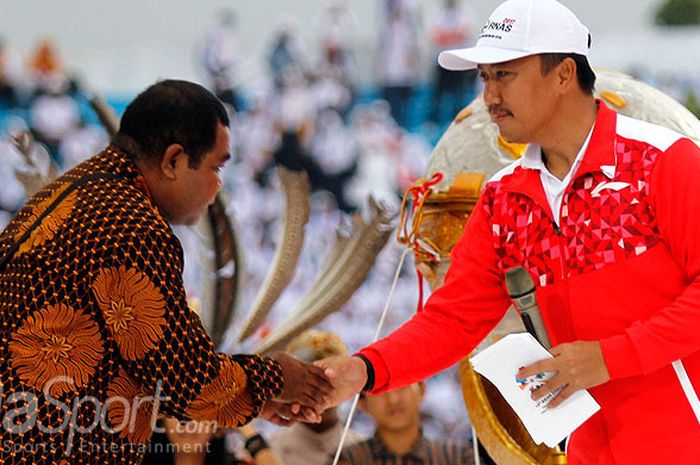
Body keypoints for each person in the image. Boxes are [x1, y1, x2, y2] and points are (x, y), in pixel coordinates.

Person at [317, 0, 700, 464]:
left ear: (562, 75)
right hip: (590, 452)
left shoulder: (663, 161)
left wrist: (608, 358)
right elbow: (453, 320)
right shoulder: (503, 197)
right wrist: (364, 370)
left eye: (505, 75)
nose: (489, 97)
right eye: (485, 77)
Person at [0, 80, 332, 465]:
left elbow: (157, 375)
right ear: (174, 161)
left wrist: (253, 399)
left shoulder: (75, 194)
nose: (217, 186)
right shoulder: (128, 223)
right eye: (215, 167)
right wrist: (276, 378)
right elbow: (186, 379)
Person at [262, 331, 363, 465]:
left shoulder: (365, 452)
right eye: (307, 384)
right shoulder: (266, 451)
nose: (317, 393)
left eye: (326, 382)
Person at [329, 383, 473, 465]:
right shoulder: (347, 460)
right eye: (379, 390)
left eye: (402, 385)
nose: (393, 399)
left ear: (422, 389)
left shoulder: (458, 458)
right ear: (362, 403)